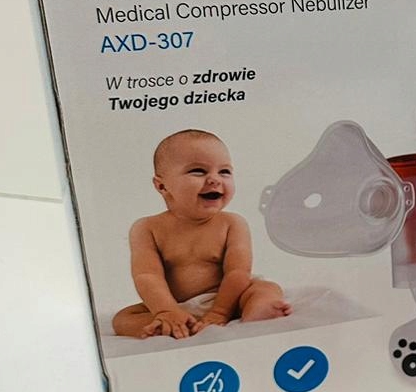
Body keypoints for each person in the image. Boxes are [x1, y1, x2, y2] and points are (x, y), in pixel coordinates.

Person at [112, 128, 290, 339]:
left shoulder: (232, 223)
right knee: (122, 319)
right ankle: (168, 324)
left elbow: (238, 272)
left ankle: (259, 309)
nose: (215, 179)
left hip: (230, 298)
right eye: (198, 171)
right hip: (175, 304)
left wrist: (219, 312)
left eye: (225, 172)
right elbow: (147, 275)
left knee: (266, 288)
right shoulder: (146, 228)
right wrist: (166, 310)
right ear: (162, 186)